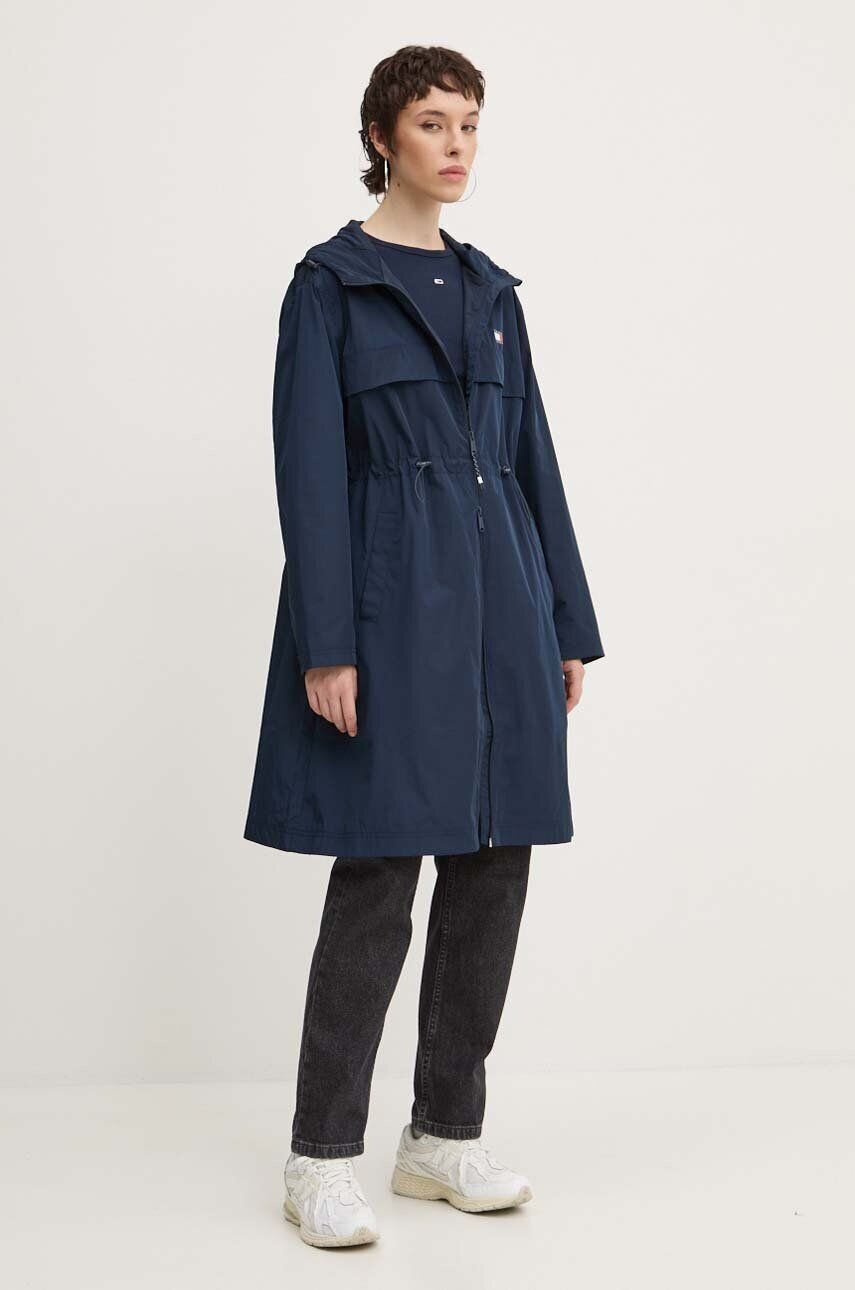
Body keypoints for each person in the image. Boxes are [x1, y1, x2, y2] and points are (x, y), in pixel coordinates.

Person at [243, 45, 604, 1248]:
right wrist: (327, 643)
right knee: (381, 869)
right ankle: (320, 1156)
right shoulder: (331, 287)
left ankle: (443, 1134)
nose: (458, 145)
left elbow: (534, 461)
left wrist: (567, 621)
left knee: (496, 863)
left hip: (505, 608)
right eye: (434, 123)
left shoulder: (494, 293)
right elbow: (310, 473)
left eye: (471, 124)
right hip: (393, 609)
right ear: (381, 138)